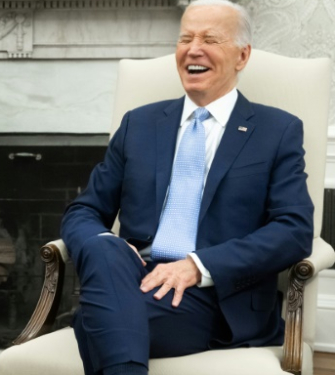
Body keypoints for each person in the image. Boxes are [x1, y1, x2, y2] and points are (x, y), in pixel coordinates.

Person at [60, 1, 313, 374]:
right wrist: (108, 244)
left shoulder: (277, 131)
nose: (193, 49)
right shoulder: (139, 125)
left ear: (242, 56)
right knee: (103, 248)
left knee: (97, 319)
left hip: (215, 295)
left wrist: (198, 266)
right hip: (134, 276)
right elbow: (84, 211)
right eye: (185, 38)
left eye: (210, 39)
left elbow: (294, 230)